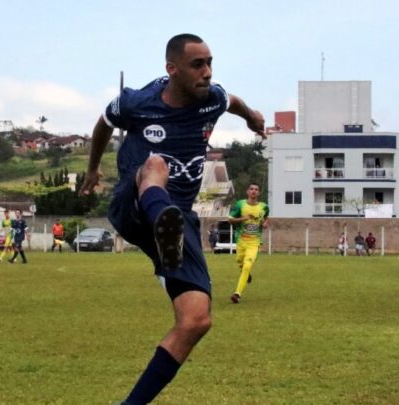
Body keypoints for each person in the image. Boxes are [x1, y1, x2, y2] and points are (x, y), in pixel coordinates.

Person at [79, 33, 264, 404]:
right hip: (132, 206)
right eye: (198, 64)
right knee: (155, 164)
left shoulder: (211, 99)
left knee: (196, 320)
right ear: (172, 69)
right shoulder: (137, 102)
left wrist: (253, 118)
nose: (207, 72)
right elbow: (103, 123)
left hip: (180, 224)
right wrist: (94, 169)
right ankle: (162, 216)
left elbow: (235, 102)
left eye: (210, 63)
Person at [228, 183, 269, 304]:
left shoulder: (264, 207)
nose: (254, 191)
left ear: (259, 193)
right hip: (241, 241)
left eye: (256, 189)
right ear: (247, 191)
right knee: (241, 264)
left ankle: (237, 294)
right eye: (251, 189)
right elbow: (230, 220)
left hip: (254, 243)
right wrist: (243, 218)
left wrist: (265, 223)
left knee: (247, 266)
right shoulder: (240, 204)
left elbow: (266, 217)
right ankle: (246, 274)